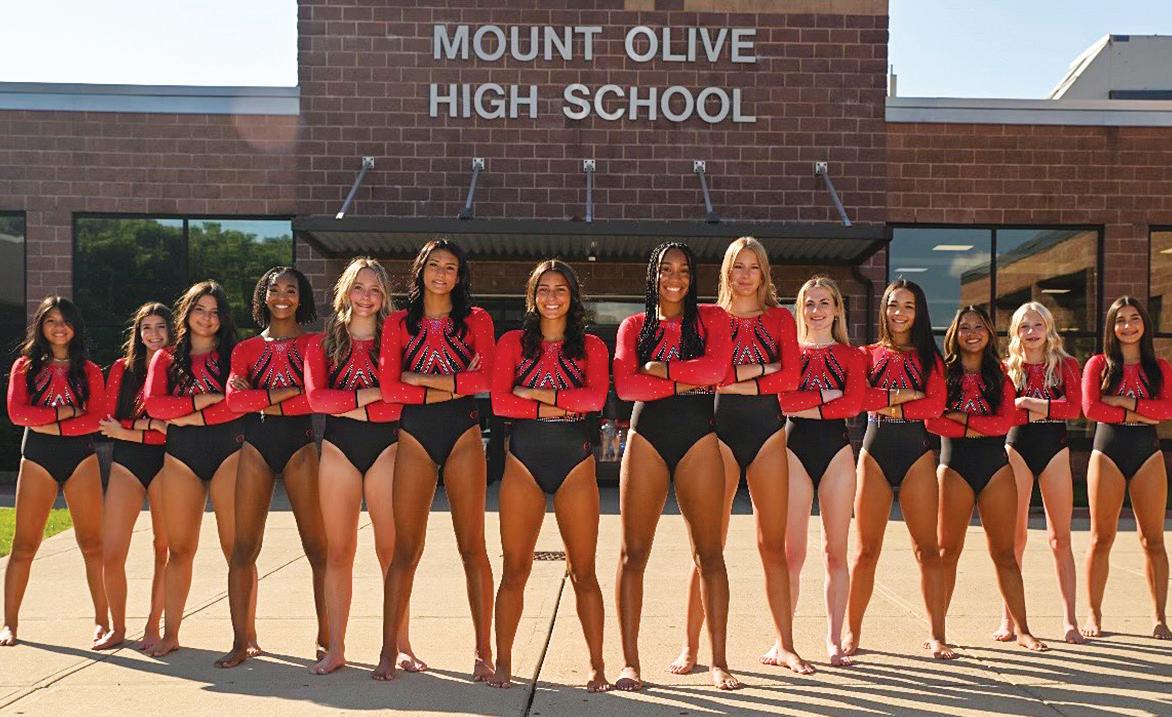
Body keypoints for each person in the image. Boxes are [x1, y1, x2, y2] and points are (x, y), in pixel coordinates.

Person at [669, 237, 811, 676]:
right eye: (738, 266)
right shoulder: (708, 318)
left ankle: (786, 645)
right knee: (709, 547)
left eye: (754, 266)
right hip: (718, 433)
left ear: (764, 272)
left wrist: (736, 379)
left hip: (768, 433)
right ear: (726, 272)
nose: (746, 275)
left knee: (773, 545)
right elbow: (708, 375)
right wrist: (764, 370)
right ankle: (691, 647)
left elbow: (791, 377)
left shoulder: (780, 318)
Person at [613, 242, 740, 691]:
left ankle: (719, 662)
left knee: (710, 553)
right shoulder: (634, 326)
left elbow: (718, 371)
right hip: (646, 436)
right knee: (632, 554)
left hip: (698, 437)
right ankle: (630, 663)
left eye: (684, 270)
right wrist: (686, 377)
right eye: (666, 269)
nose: (675, 278)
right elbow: (626, 387)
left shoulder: (712, 320)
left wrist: (659, 371)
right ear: (653, 275)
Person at [374, 239, 497, 681]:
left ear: (459, 276)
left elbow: (486, 379)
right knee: (406, 549)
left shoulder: (476, 319)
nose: (441, 274)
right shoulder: (397, 323)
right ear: (421, 269)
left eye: (450, 267)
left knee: (472, 547)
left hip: (463, 432)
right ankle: (388, 649)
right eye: (434, 265)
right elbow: (390, 388)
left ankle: (484, 650)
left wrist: (418, 378)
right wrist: (455, 382)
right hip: (415, 435)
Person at [488, 259, 611, 691]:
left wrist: (530, 394)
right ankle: (504, 661)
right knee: (515, 570)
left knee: (584, 572)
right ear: (532, 296)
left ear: (573, 297)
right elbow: (500, 403)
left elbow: (594, 400)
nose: (552, 297)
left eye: (560, 289)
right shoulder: (512, 344)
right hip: (523, 461)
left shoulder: (591, 347)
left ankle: (597, 664)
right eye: (543, 289)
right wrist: (562, 401)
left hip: (575, 462)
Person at [305, 258, 425, 675]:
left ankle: (401, 644)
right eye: (359, 287)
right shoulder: (323, 343)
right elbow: (317, 399)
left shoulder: (398, 340)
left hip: (387, 447)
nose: (366, 297)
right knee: (339, 552)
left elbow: (403, 399)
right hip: (338, 449)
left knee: (391, 552)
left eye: (375, 289)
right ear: (346, 291)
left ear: (385, 296)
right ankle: (336, 649)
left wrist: (352, 402)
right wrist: (373, 395)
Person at [217, 267, 328, 668]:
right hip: (255, 446)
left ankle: (326, 638)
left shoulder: (314, 344)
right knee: (243, 548)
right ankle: (240, 641)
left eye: (291, 290)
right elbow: (234, 402)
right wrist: (289, 392)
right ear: (263, 296)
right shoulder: (245, 349)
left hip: (301, 445)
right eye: (274, 289)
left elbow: (314, 400)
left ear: (301, 298)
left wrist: (261, 396)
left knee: (318, 548)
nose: (282, 296)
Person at [927, 306, 1047, 653]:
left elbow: (1004, 423)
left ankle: (1023, 630)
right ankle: (938, 635)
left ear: (989, 334)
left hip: (996, 468)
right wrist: (976, 424)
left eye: (979, 326)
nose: (972, 333)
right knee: (947, 553)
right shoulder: (942, 374)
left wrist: (959, 418)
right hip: (954, 467)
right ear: (955, 334)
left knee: (1005, 554)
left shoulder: (1001, 375)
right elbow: (933, 421)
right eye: (965, 327)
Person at [847, 279, 951, 658]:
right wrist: (907, 396)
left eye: (908, 306)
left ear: (918, 312)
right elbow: (859, 399)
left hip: (917, 455)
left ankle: (937, 635)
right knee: (865, 552)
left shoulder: (930, 360)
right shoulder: (867, 355)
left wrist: (886, 402)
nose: (900, 313)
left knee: (927, 550)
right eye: (893, 305)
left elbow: (934, 407)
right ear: (884, 309)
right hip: (874, 453)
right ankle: (852, 634)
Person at [143, 281, 245, 657]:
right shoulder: (165, 358)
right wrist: (207, 401)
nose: (207, 318)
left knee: (236, 549)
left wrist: (186, 414)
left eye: (215, 311)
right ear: (187, 313)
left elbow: (237, 404)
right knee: (180, 549)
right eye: (200, 309)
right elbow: (155, 406)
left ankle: (245, 636)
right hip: (181, 456)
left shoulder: (234, 355)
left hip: (229, 451)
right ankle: (171, 634)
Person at [1, 297, 107, 647]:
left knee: (92, 544)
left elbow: (95, 419)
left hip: (81, 457)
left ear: (75, 326)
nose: (59, 328)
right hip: (37, 457)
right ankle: (9, 624)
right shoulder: (25, 367)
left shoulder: (89, 370)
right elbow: (18, 414)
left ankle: (102, 620)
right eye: (51, 321)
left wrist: (48, 421)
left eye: (65, 321)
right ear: (41, 326)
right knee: (24, 545)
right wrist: (68, 413)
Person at [778, 276, 866, 666]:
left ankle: (833, 639)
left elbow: (853, 406)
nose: (816, 310)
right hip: (793, 450)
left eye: (824, 302)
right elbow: (783, 402)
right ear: (801, 310)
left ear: (837, 309)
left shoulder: (852, 356)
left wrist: (807, 401)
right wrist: (828, 396)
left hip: (836, 453)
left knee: (835, 551)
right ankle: (783, 640)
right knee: (791, 554)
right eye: (809, 303)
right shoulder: (789, 353)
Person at [1081, 296, 1171, 640]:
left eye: (1135, 318)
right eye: (1120, 320)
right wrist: (1142, 412)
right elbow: (1091, 409)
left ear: (1145, 323)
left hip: (1147, 454)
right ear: (1111, 326)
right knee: (1101, 538)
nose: (1128, 326)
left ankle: (1159, 617)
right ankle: (1094, 614)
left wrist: (1121, 400)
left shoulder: (1159, 368)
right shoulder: (1097, 365)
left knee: (1153, 540)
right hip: (1107, 452)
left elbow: (1167, 411)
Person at [1002, 302, 1085, 644]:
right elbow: (1005, 415)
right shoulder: (1007, 367)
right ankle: (1008, 619)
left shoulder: (1066, 365)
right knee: (1014, 539)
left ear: (1049, 328)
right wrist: (1048, 409)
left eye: (1038, 325)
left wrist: (1028, 403)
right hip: (1017, 448)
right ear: (1016, 332)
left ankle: (1070, 620)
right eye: (1025, 326)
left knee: (1060, 538)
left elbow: (1075, 409)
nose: (1032, 332)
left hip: (1055, 449)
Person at [95, 302, 173, 651]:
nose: (154, 334)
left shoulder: (178, 369)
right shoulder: (121, 369)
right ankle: (117, 628)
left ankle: (154, 626)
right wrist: (148, 426)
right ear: (138, 333)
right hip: (126, 464)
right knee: (111, 551)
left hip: (167, 464)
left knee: (163, 549)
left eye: (161, 326)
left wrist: (128, 429)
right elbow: (106, 421)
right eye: (146, 327)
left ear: (172, 331)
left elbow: (173, 431)